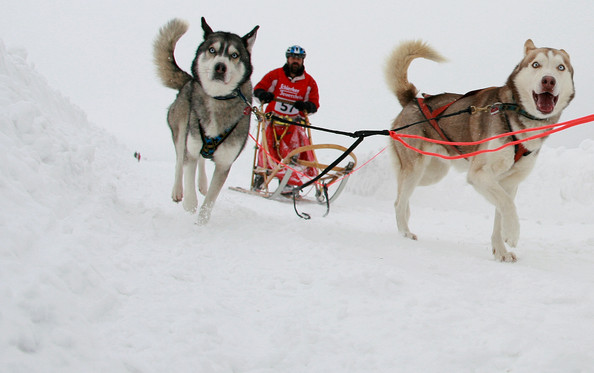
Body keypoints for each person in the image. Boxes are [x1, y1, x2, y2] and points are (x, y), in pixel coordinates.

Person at [253, 45, 320, 192]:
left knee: (293, 151)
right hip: (273, 120)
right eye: (292, 58)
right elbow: (258, 89)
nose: (295, 61)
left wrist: (306, 106)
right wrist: (264, 95)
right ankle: (260, 177)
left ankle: (288, 182)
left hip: (293, 123)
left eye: (298, 59)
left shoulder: (309, 82)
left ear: (303, 61)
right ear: (287, 59)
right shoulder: (275, 75)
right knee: (268, 149)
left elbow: (314, 104)